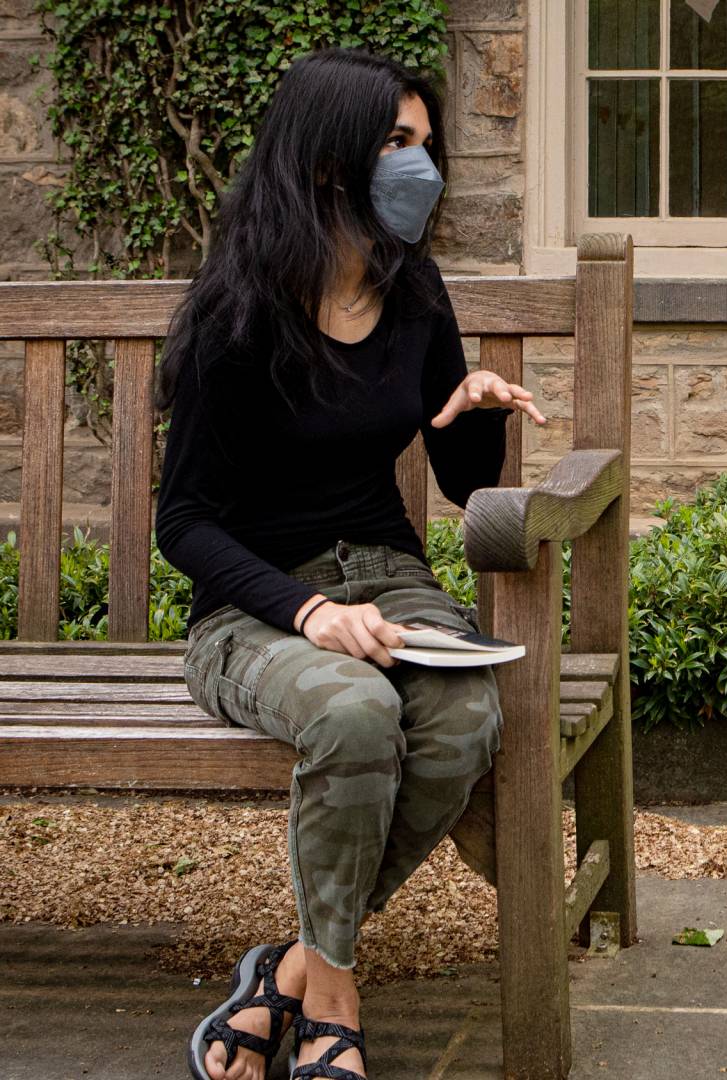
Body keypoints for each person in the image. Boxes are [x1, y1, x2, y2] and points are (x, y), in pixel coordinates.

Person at [159, 49, 546, 1080]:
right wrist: (308, 613)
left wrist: (472, 411)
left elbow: (463, 486)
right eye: (397, 145)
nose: (422, 168)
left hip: (388, 574)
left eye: (427, 146)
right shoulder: (234, 317)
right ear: (329, 160)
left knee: (466, 717)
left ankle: (288, 975)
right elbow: (186, 522)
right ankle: (333, 1001)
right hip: (256, 611)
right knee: (353, 712)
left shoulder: (411, 287)